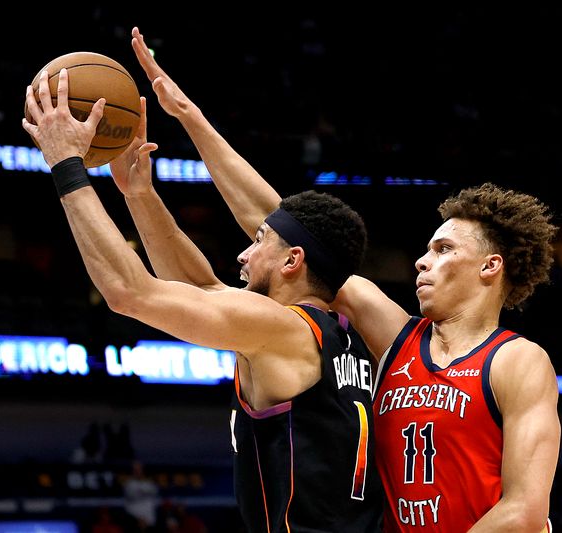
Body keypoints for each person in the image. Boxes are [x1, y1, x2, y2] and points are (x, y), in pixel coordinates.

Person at [126, 26, 560, 532]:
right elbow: (287, 228)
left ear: (491, 267)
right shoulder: (399, 341)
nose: (421, 261)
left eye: (443, 250)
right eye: (425, 249)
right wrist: (190, 118)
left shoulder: (518, 361)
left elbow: (525, 513)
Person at [21, 68, 382, 532]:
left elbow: (130, 292)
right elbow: (205, 289)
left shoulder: (283, 328)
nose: (243, 252)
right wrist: (139, 195)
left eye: (259, 240)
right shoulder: (344, 335)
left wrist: (65, 165)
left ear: (293, 260)